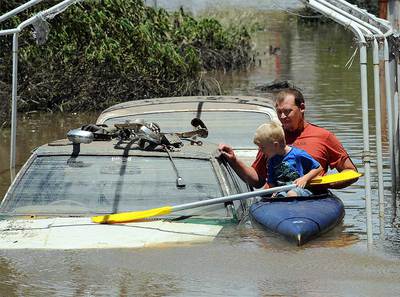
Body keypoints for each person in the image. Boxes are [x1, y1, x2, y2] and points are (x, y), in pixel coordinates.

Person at [219, 87, 358, 190]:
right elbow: (257, 180)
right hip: (278, 201)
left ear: (301, 108)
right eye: (279, 112)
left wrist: (327, 182)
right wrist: (233, 160)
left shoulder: (324, 136)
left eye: (287, 111)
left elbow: (351, 172)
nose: (283, 117)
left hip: (313, 200)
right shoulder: (272, 137)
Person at [254, 121, 323, 196]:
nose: (260, 150)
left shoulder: (298, 155)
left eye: (262, 147)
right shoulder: (272, 160)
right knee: (280, 196)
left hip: (301, 189)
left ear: (276, 145)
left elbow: (318, 168)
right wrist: (273, 192)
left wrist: (304, 179)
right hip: (282, 190)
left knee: (291, 193)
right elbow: (271, 182)